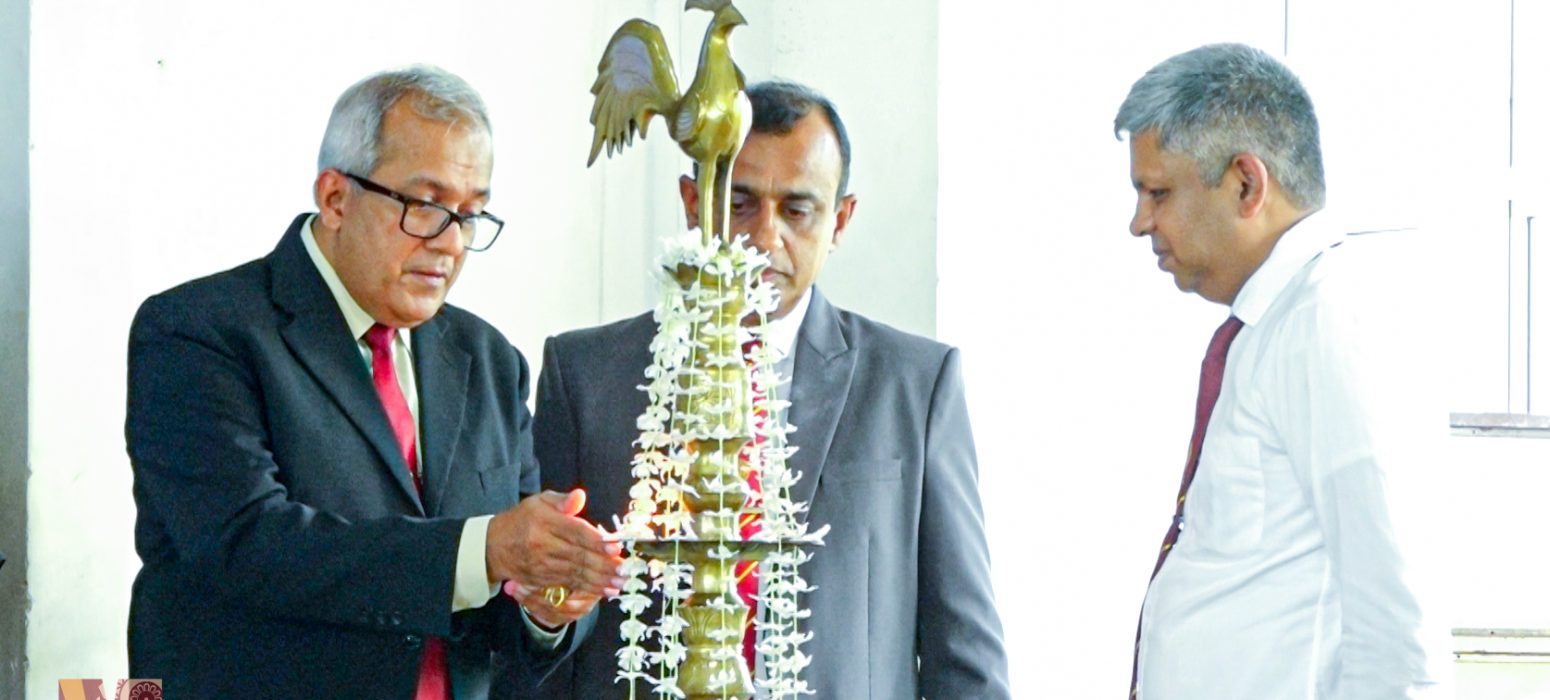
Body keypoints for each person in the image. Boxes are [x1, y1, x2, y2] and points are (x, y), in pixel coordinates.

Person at [125, 66, 625, 699]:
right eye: (426, 207)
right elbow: (247, 546)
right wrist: (485, 548)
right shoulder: (198, 331)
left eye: (470, 215)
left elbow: (499, 606)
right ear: (336, 198)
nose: (451, 244)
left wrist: (548, 602)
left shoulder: (490, 359)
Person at [522, 80, 1011, 699]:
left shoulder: (914, 386)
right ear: (693, 202)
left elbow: (965, 652)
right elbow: (537, 626)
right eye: (740, 203)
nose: (765, 237)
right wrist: (544, 615)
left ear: (840, 220)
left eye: (797, 211)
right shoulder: (586, 374)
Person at [1116, 44, 1450, 698]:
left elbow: (1400, 630)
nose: (1139, 222)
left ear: (1246, 184)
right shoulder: (1274, 325)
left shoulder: (1330, 320)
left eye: (1158, 192)